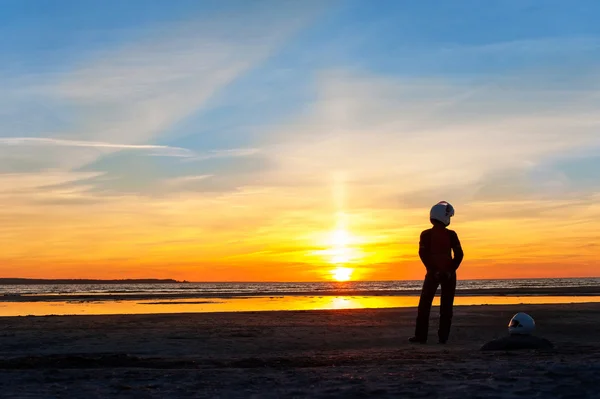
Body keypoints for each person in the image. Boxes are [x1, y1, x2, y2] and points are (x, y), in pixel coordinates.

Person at [409, 201, 464, 344]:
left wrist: (433, 270)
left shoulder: (426, 234)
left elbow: (423, 254)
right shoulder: (451, 235)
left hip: (435, 273)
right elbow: (459, 255)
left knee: (424, 306)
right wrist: (450, 270)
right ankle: (443, 337)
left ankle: (421, 337)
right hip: (447, 274)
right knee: (446, 307)